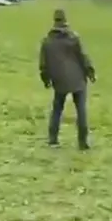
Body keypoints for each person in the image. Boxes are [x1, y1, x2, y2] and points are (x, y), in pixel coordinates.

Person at [39, 9, 96, 149]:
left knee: (57, 110)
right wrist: (90, 72)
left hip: (59, 80)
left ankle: (53, 140)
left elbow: (43, 65)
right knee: (81, 110)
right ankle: (82, 142)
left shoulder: (47, 41)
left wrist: (46, 79)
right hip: (78, 79)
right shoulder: (73, 38)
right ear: (65, 20)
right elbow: (83, 57)